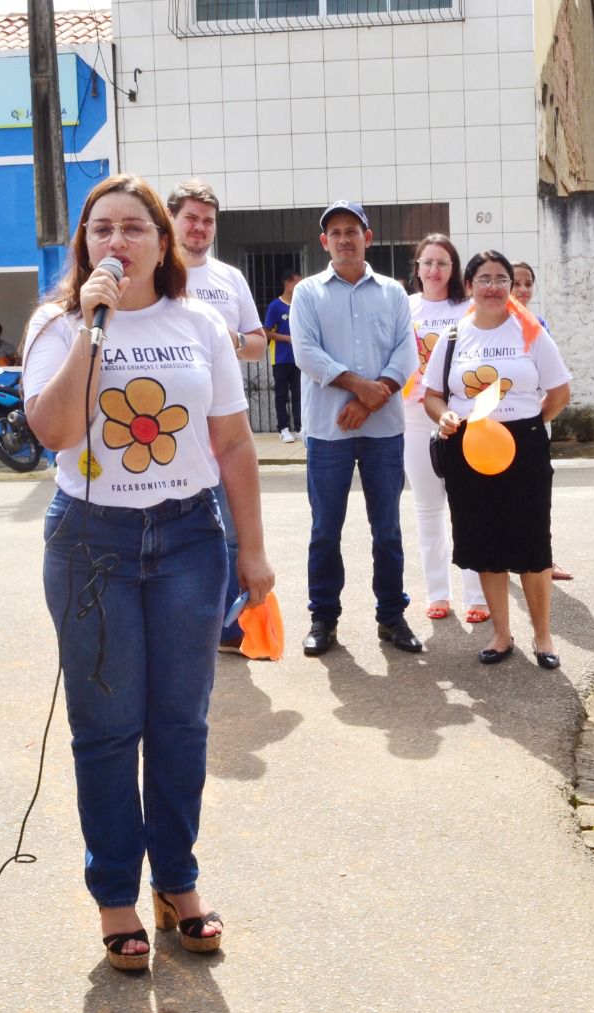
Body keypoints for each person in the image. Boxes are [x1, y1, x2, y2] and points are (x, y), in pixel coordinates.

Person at [22, 173, 272, 970]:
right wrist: (93, 328)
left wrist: (255, 550)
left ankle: (178, 881)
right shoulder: (58, 326)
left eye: (135, 227)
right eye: (102, 229)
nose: (117, 241)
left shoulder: (199, 323)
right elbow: (56, 431)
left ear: (164, 243)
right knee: (106, 730)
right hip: (92, 544)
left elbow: (232, 444)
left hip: (189, 539)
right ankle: (115, 899)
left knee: (181, 724)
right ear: (83, 244)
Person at [424, 250, 571, 667]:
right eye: (484, 278)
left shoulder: (530, 333)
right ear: (468, 286)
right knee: (484, 540)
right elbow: (432, 395)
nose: (493, 287)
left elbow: (560, 392)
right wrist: (446, 416)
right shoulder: (454, 336)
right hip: (468, 449)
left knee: (531, 542)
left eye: (501, 279)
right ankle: (502, 634)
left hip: (523, 447)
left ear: (513, 286)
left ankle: (544, 638)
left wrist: (527, 426)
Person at [292, 201, 422, 656]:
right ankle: (323, 619)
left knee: (386, 529)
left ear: (368, 237)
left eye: (352, 230)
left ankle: (392, 617)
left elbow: (408, 352)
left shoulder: (394, 293)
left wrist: (376, 394)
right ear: (324, 242)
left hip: (383, 429)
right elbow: (305, 353)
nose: (344, 239)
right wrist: (359, 387)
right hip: (329, 432)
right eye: (335, 232)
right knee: (325, 528)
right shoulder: (308, 293)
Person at [168, 179, 268, 656]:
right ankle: (181, 623)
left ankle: (228, 629)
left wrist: (226, 338)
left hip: (223, 421)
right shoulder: (158, 274)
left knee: (230, 531)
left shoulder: (230, 278)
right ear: (171, 220)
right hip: (168, 425)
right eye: (190, 218)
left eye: (208, 220)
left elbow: (258, 343)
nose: (200, 228)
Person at [403, 234, 489, 624]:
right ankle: (438, 593)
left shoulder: (468, 309)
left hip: (461, 417)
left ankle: (478, 596)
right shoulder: (404, 308)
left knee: (469, 504)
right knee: (427, 507)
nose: (434, 270)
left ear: (454, 270)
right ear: (417, 268)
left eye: (443, 263)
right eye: (427, 262)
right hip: (414, 417)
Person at [510, 260, 571, 581]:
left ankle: (543, 560)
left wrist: (537, 421)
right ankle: (502, 558)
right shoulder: (487, 323)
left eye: (528, 283)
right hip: (497, 426)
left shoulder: (539, 324)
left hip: (534, 419)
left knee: (536, 494)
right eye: (516, 283)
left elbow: (554, 380)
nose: (522, 290)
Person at [264, 267, 302, 442]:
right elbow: (266, 332)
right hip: (280, 358)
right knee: (281, 394)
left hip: (299, 357)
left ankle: (300, 426)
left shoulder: (300, 305)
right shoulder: (275, 306)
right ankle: (284, 428)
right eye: (297, 282)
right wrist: (287, 338)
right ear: (288, 284)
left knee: (298, 393)